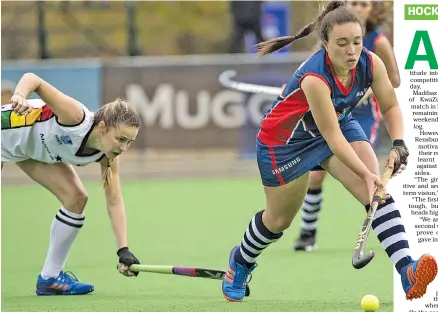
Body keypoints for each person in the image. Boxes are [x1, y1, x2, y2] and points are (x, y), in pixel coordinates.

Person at [221, 1, 437, 302]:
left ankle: (407, 270)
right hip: (285, 141)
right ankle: (241, 262)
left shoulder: (370, 62)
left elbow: (389, 105)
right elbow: (332, 139)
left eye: (357, 42)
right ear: (325, 44)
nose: (352, 51)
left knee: (374, 192)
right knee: (278, 220)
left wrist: (399, 144)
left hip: (336, 121)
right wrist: (368, 172)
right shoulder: (314, 77)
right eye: (342, 44)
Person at [1, 72, 142, 296]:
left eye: (130, 142)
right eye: (120, 139)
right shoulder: (75, 117)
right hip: (4, 135)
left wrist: (123, 250)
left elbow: (114, 200)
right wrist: (19, 95)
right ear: (103, 127)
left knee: (76, 199)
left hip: (29, 152)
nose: (123, 148)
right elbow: (33, 79)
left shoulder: (108, 156)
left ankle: (50, 278)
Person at [294, 0, 400, 252]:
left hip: (361, 115)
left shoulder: (378, 42)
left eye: (363, 4)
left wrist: (368, 90)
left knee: (365, 175)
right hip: (332, 112)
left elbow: (393, 81)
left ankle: (395, 244)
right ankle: (308, 232)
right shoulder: (334, 35)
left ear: (372, 9)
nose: (358, 8)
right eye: (353, 2)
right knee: (316, 174)